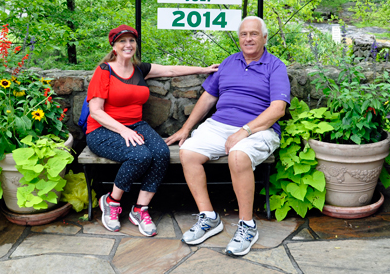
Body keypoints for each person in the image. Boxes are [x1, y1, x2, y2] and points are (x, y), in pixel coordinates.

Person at [166, 16, 290, 256]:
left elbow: (278, 109)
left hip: (259, 128)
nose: (248, 38)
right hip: (219, 125)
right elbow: (208, 98)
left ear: (265, 38)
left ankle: (247, 225)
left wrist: (245, 131)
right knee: (188, 152)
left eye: (254, 34)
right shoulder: (228, 63)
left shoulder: (275, 66)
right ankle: (209, 217)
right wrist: (186, 128)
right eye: (244, 34)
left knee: (238, 155)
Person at [86, 24, 218, 237]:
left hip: (136, 125)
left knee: (161, 153)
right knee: (140, 155)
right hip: (102, 130)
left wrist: (205, 70)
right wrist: (123, 131)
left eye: (131, 41)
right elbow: (96, 111)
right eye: (122, 41)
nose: (128, 45)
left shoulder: (140, 70)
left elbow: (171, 70)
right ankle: (111, 201)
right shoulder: (104, 71)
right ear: (114, 46)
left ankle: (140, 209)